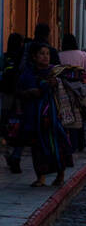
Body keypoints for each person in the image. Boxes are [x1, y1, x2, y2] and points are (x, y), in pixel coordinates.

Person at [17, 43, 74, 188]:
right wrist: (29, 93)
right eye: (42, 53)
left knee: (58, 145)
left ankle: (60, 175)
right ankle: (40, 177)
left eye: (47, 54)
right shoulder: (27, 73)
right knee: (37, 148)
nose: (45, 57)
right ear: (34, 56)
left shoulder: (55, 73)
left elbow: (68, 87)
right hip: (34, 117)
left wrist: (57, 83)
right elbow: (19, 92)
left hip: (54, 116)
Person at [1, 33, 25, 172]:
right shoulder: (22, 58)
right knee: (19, 127)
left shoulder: (5, 57)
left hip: (6, 96)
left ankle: (9, 154)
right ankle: (15, 155)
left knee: (5, 126)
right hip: (19, 97)